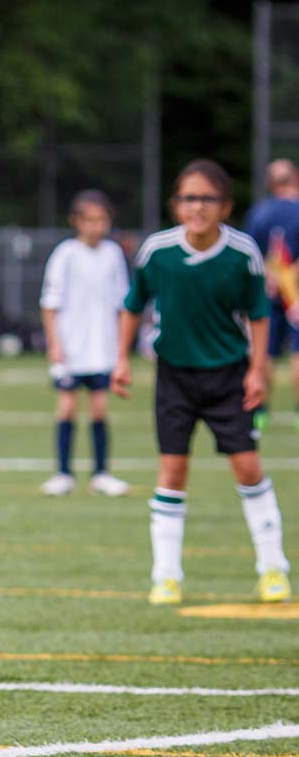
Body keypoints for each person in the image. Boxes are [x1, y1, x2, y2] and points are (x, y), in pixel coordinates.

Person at [115, 159, 289, 606]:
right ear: (176, 205)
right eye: (188, 198)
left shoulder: (242, 253)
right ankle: (166, 576)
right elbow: (133, 305)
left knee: (247, 467)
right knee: (172, 471)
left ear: (225, 206)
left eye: (207, 198)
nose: (197, 207)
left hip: (229, 375)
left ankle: (273, 570)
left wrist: (257, 369)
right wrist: (121, 358)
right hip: (174, 376)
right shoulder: (158, 252)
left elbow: (259, 315)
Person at [38, 189, 132, 497]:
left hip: (101, 347)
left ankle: (101, 474)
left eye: (101, 219)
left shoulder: (113, 254)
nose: (96, 226)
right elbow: (50, 304)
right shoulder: (65, 253)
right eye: (89, 220)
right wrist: (55, 344)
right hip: (70, 347)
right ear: (75, 221)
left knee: (99, 409)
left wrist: (120, 349)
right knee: (66, 407)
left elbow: (122, 305)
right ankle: (63, 473)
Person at [242, 158, 299, 432]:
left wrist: (271, 276)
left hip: (267, 291)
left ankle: (260, 412)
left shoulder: (259, 212)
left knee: (265, 352)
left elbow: (250, 253)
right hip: (296, 295)